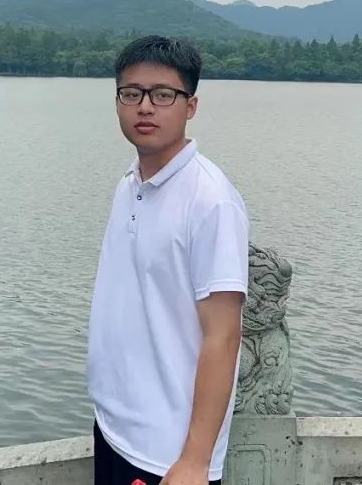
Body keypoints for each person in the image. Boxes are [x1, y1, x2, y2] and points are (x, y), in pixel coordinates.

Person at [87, 35, 250, 485]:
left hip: (167, 455)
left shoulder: (211, 201)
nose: (145, 107)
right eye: (131, 93)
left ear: (190, 106)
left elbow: (224, 336)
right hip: (115, 427)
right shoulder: (130, 183)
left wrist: (195, 460)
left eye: (162, 95)